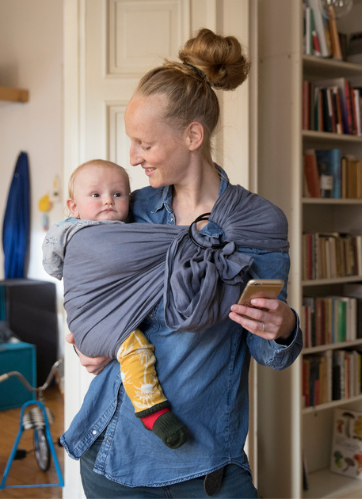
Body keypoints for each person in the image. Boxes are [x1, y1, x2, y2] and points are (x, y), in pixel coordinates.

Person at [61, 28, 302, 498]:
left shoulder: (257, 223)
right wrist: (89, 340)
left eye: (144, 145)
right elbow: (90, 286)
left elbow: (269, 352)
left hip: (205, 463)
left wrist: (285, 325)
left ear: (193, 135)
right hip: (111, 449)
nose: (132, 158)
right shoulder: (132, 209)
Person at [42, 159, 189, 449]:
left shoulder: (133, 228)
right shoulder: (76, 232)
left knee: (136, 347)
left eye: (118, 194)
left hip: (104, 323)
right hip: (92, 318)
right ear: (73, 208)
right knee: (136, 348)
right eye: (95, 195)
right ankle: (151, 409)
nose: (108, 200)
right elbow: (56, 264)